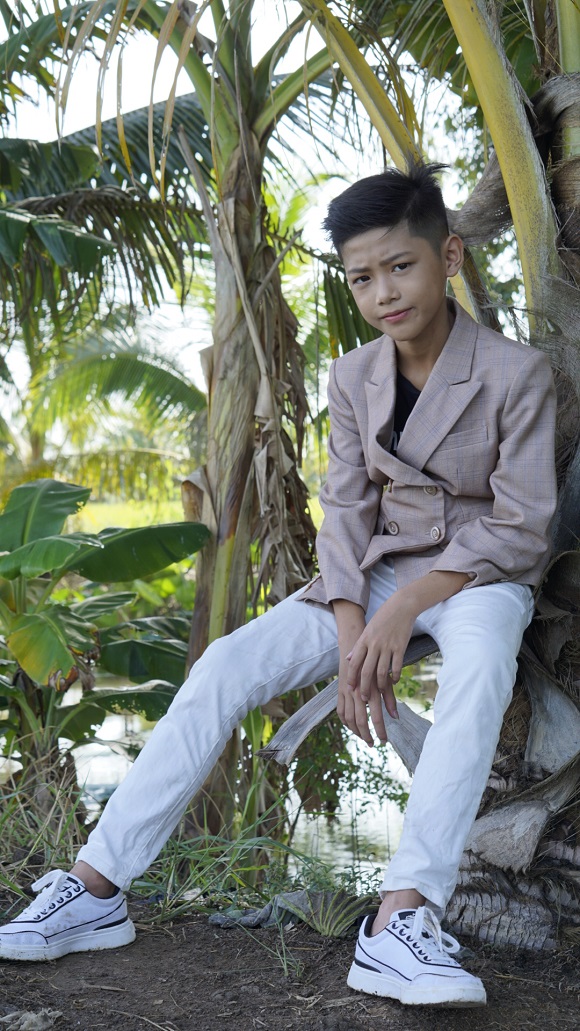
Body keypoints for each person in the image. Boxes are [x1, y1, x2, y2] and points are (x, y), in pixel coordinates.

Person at [0, 163, 557, 1008]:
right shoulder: (354, 376)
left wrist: (404, 610)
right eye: (361, 278)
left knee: (479, 670)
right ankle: (95, 887)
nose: (383, 293)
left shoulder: (517, 372)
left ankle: (402, 919)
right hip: (370, 572)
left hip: (480, 572)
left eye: (400, 267)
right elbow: (346, 515)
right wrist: (353, 633)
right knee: (226, 662)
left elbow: (520, 523)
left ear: (448, 256)